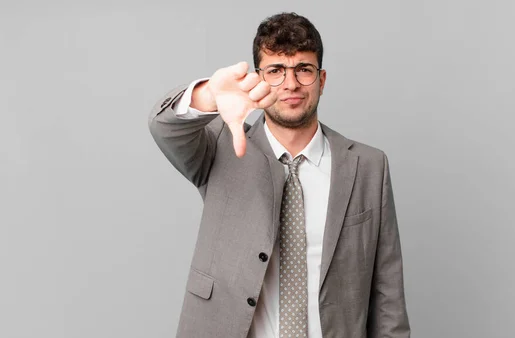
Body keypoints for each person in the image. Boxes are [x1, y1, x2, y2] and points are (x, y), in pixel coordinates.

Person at [148, 12, 410, 338]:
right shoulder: (220, 147)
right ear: (259, 78)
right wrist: (209, 96)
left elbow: (388, 298)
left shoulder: (368, 166)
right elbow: (163, 127)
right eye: (276, 71)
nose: (290, 83)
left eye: (304, 69)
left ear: (322, 79)